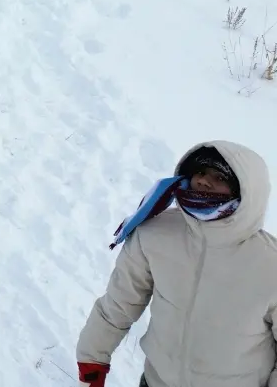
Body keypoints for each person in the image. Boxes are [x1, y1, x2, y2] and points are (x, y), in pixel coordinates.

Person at [76, 141, 277, 387]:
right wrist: (92, 358)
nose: (204, 181)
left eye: (219, 176)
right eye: (200, 172)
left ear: (245, 191)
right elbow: (118, 304)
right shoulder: (155, 233)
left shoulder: (269, 263)